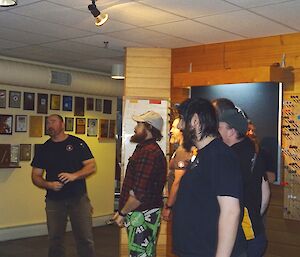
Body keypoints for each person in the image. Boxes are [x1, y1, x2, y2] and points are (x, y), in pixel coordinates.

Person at [172, 98, 246, 257]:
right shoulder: (204, 154)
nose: (179, 126)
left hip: (208, 251)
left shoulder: (220, 156)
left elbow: (231, 212)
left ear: (196, 120)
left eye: (183, 120)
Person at [31, 114, 96, 257]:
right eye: (47, 122)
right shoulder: (44, 149)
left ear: (62, 124)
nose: (49, 125)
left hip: (78, 198)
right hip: (54, 200)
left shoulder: (78, 143)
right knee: (55, 239)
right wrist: (48, 185)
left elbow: (91, 166)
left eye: (53, 121)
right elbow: (35, 176)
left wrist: (74, 176)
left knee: (84, 238)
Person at [113, 111, 167, 257]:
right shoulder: (145, 149)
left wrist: (122, 213)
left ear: (148, 127)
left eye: (139, 124)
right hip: (141, 213)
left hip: (142, 214)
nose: (135, 128)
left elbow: (138, 193)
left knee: (140, 254)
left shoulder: (149, 152)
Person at [218, 109, 270, 257]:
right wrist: (254, 216)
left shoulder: (229, 158)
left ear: (231, 131)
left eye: (220, 127)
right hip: (254, 233)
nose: (216, 131)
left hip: (241, 238)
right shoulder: (254, 153)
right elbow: (265, 193)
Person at [162, 117, 193, 220]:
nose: (171, 131)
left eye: (174, 128)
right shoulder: (180, 150)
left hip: (180, 203)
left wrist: (168, 206)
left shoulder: (183, 150)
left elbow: (178, 181)